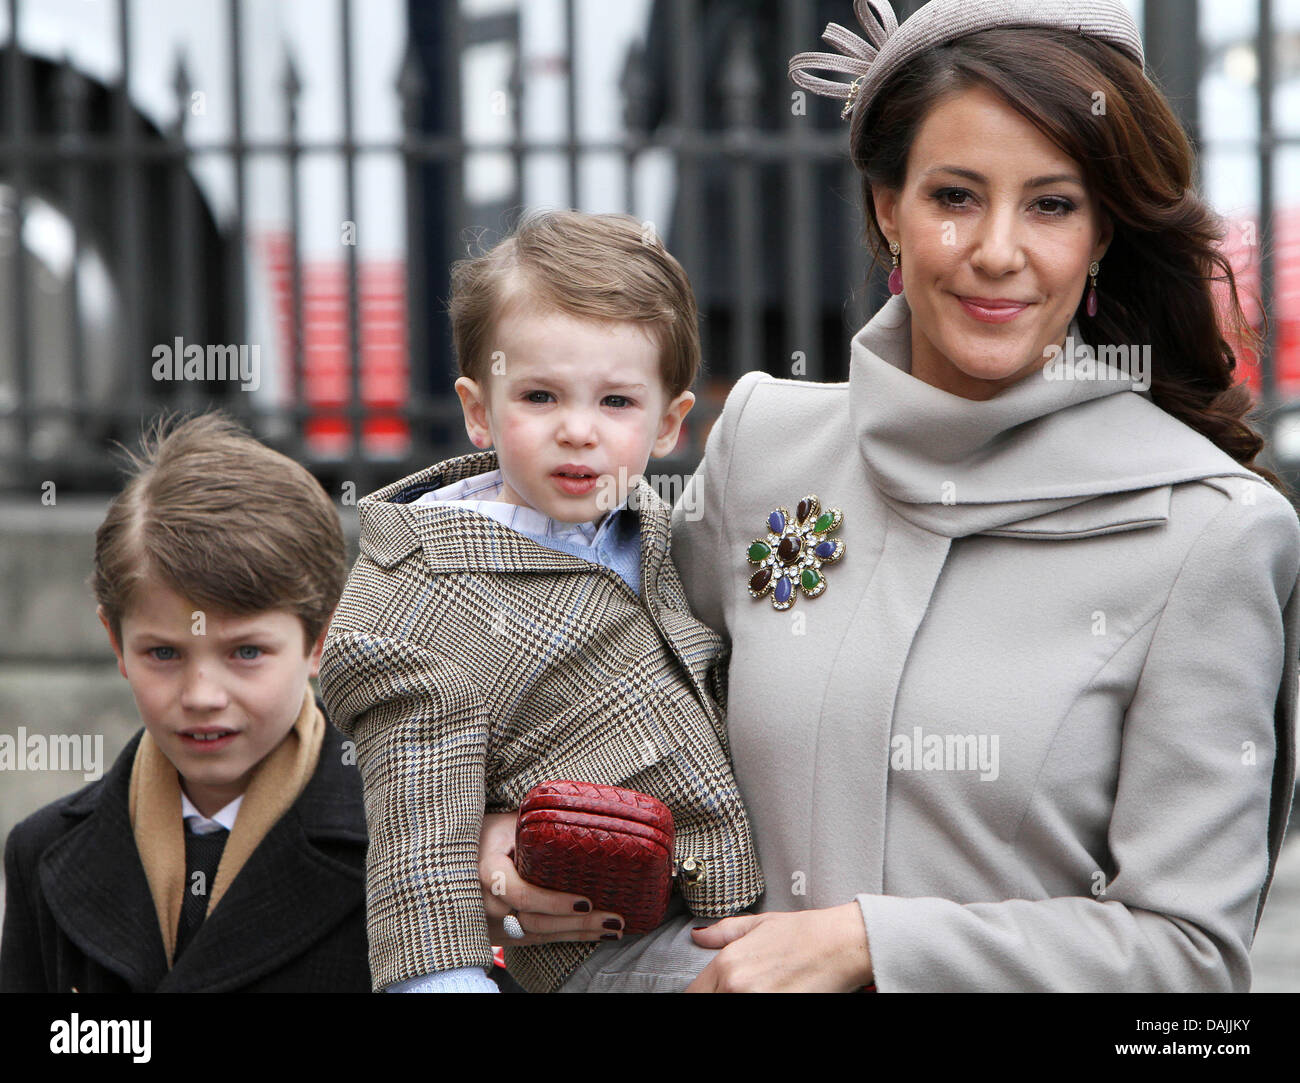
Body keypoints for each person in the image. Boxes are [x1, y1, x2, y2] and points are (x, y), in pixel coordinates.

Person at [476, 0, 1300, 992]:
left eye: (1051, 204)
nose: (996, 249)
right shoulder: (764, 444)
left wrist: (872, 945)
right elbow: (613, 716)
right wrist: (502, 826)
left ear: (1103, 234)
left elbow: (1189, 964)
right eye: (954, 196)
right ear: (885, 208)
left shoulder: (1212, 533)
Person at [317, 210, 763, 994]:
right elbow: (419, 855)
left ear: (670, 422)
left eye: (616, 403)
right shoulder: (419, 604)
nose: (578, 431)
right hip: (605, 947)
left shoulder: (657, 530)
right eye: (541, 396)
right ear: (479, 408)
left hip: (748, 903)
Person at [0, 412, 370, 992]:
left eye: (246, 651)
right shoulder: (41, 851)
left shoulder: (408, 841)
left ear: (318, 641)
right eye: (164, 654)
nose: (202, 697)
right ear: (116, 643)